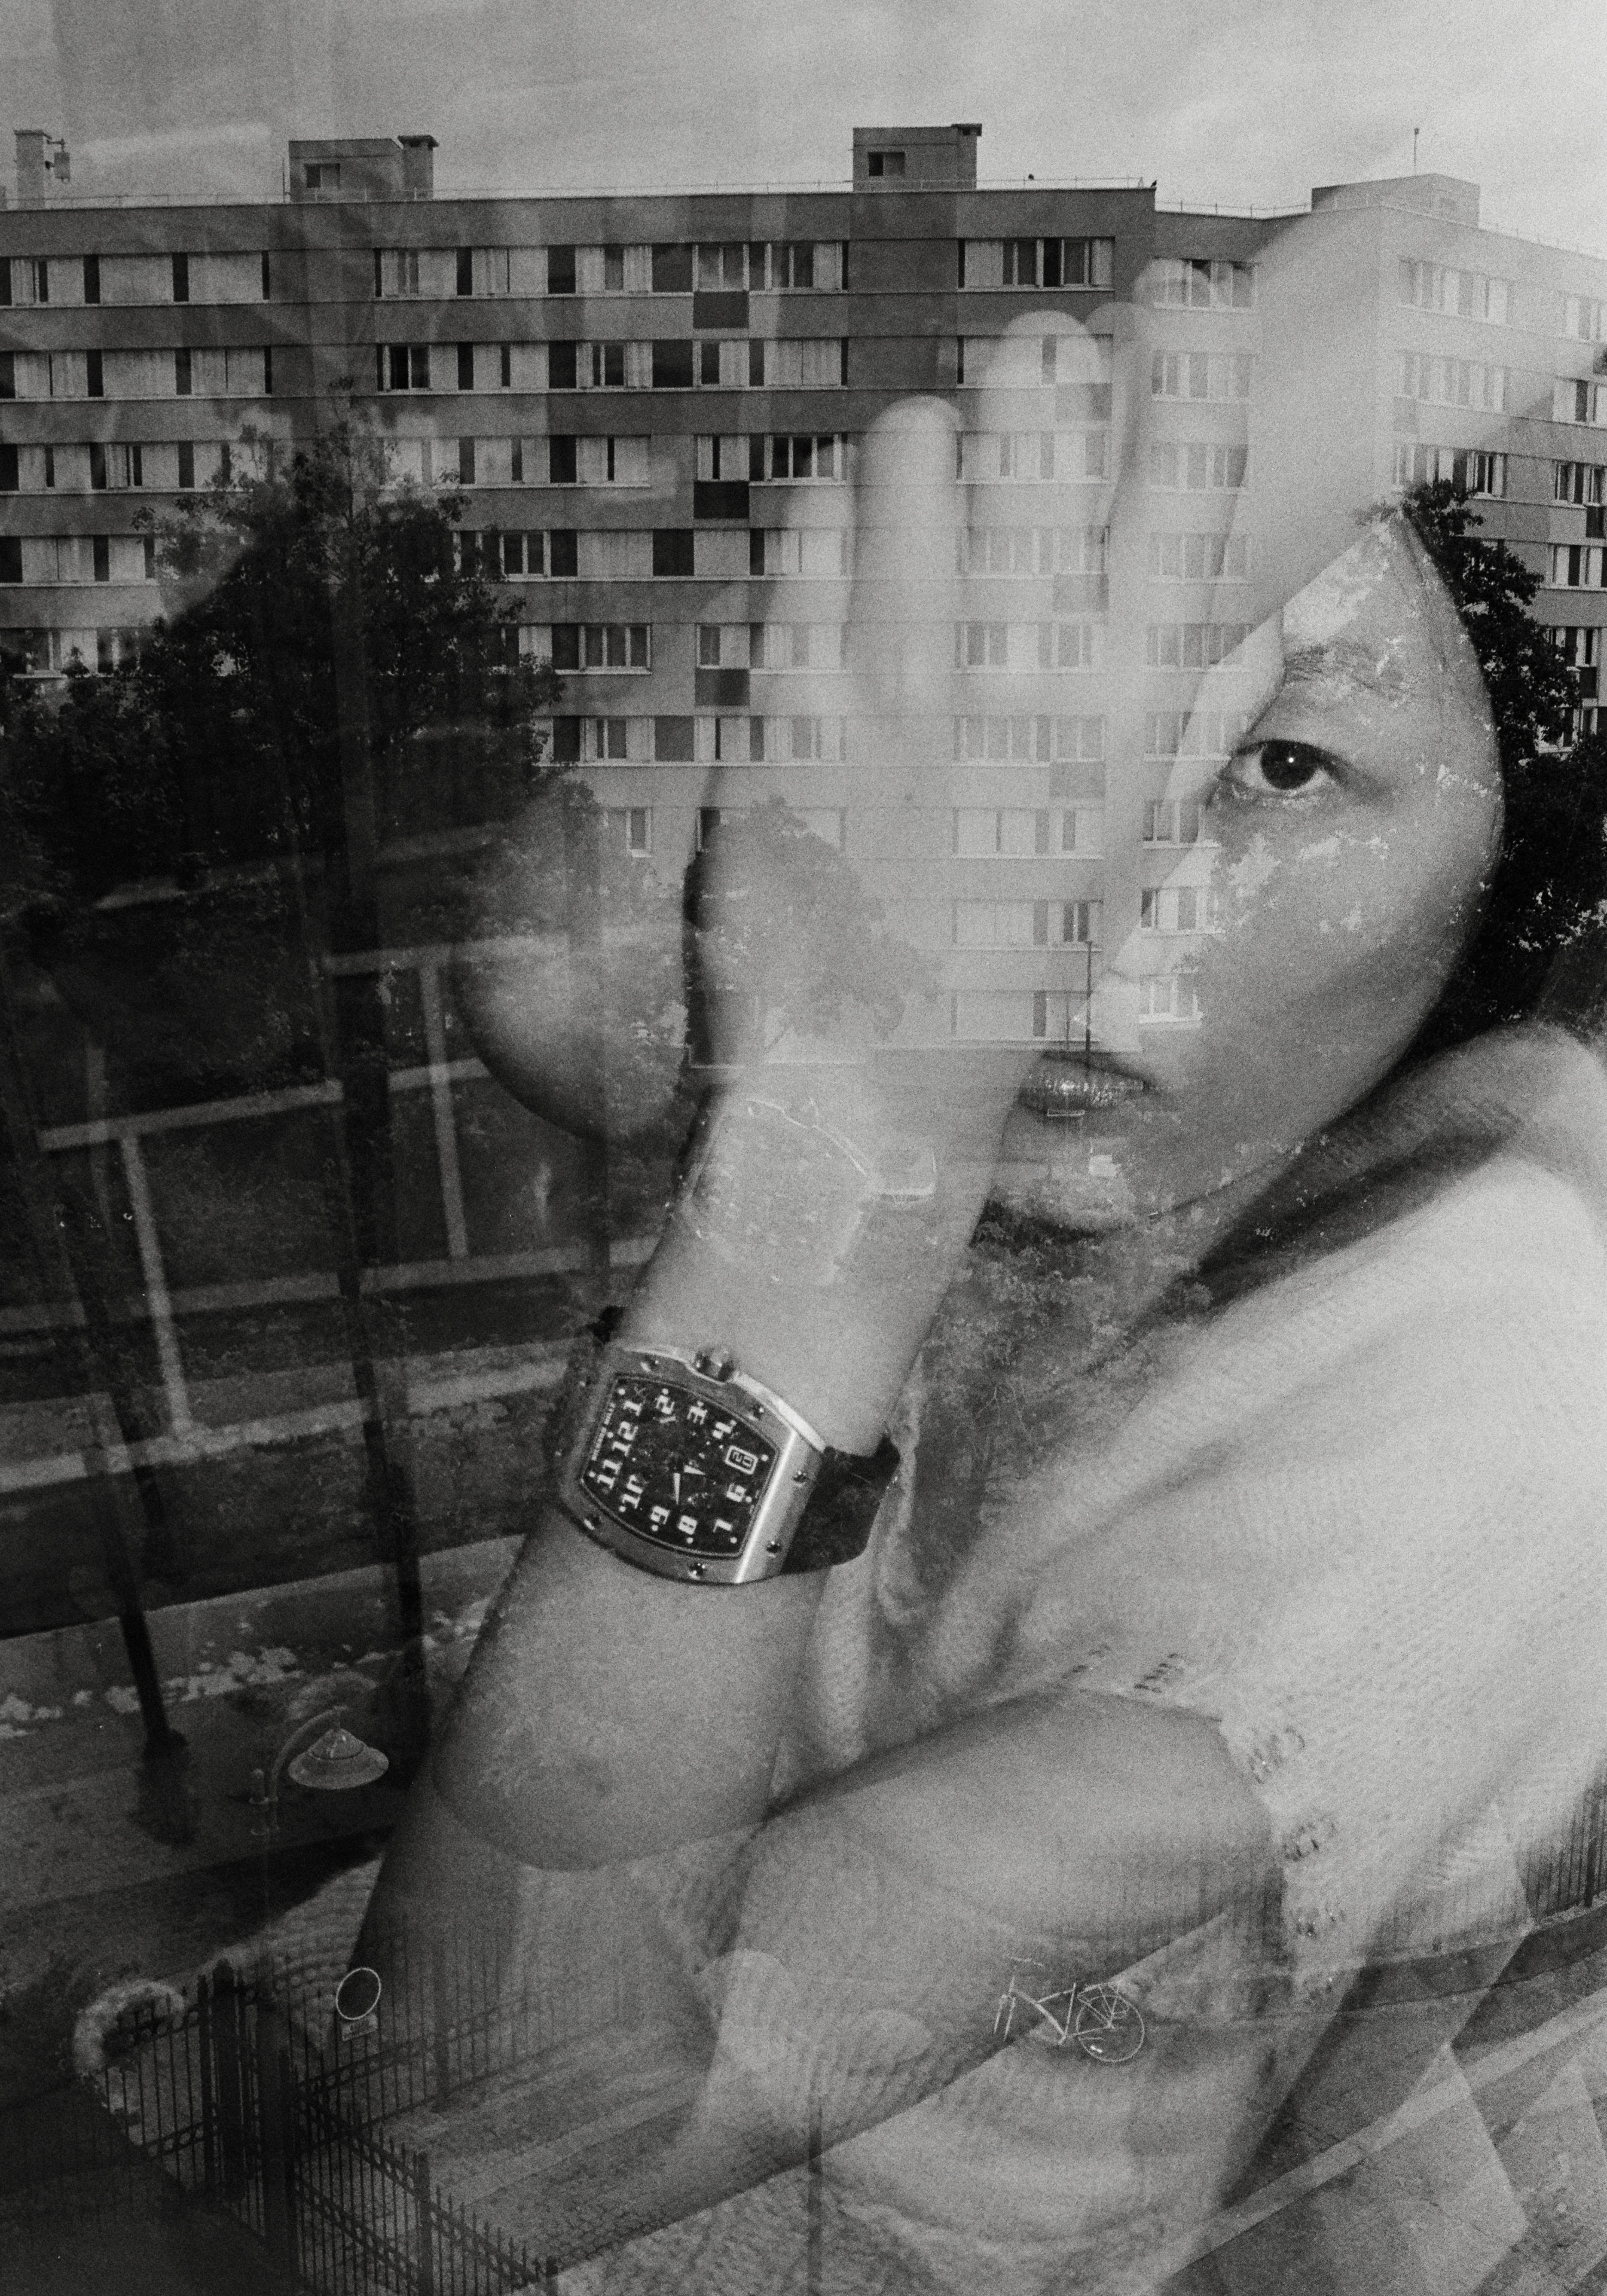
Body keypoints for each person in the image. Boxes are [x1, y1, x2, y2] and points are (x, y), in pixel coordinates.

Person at [354, 293, 1607, 2293]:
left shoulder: (1504, 1377)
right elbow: (551, 980)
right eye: (1013, 765)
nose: (1080, 890)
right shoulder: (1074, 1216)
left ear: (1500, 877)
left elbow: (482, 2149)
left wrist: (841, 1129)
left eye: (1281, 762)